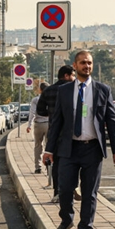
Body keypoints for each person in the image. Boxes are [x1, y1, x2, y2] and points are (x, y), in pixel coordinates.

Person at [42, 51, 115, 229]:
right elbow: (57, 123)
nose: (87, 66)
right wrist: (49, 149)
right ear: (75, 66)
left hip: (92, 150)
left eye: (89, 63)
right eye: (83, 63)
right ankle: (67, 219)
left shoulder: (103, 90)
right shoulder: (65, 91)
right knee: (65, 188)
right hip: (68, 149)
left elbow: (112, 121)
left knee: (89, 193)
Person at [36, 65, 75, 201]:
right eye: (73, 75)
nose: (74, 78)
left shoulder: (48, 91)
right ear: (66, 75)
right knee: (75, 162)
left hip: (55, 132)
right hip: (72, 132)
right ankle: (73, 188)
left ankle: (57, 193)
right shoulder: (73, 90)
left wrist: (52, 115)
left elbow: (40, 110)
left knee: (57, 163)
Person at [26, 82, 49, 174]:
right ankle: (49, 166)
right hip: (49, 124)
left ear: (40, 90)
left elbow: (32, 113)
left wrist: (29, 125)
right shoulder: (51, 98)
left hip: (38, 124)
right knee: (48, 146)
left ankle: (37, 167)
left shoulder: (35, 100)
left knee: (38, 145)